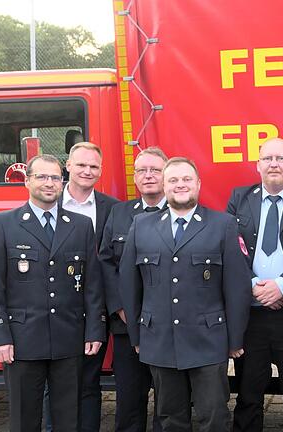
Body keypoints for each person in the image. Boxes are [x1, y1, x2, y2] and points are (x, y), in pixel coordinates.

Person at [119, 157, 252, 431]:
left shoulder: (222, 224)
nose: (180, 185)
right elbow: (130, 285)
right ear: (165, 186)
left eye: (186, 179)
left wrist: (235, 338)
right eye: (174, 180)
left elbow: (236, 287)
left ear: (198, 184)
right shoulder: (141, 225)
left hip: (208, 340)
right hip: (159, 339)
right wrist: (136, 334)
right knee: (170, 419)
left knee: (213, 416)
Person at [0, 154, 105, 431]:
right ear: (27, 181)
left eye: (55, 178)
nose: (49, 183)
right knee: (24, 419)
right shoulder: (3, 223)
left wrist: (95, 329)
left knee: (68, 419)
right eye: (42, 177)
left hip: (68, 339)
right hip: (21, 341)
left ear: (62, 182)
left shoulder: (81, 225)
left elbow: (92, 285)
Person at [227, 138, 283, 432]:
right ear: (258, 165)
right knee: (249, 392)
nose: (274, 164)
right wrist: (253, 286)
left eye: (280, 158)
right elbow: (229, 251)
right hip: (252, 314)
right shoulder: (238, 198)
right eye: (267, 159)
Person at [99, 147, 168, 432]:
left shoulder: (182, 212)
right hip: (127, 325)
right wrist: (120, 307)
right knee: (129, 401)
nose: (148, 176)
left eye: (155, 170)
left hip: (168, 327)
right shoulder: (119, 213)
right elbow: (105, 263)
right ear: (135, 178)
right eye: (142, 171)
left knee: (169, 402)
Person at [54, 141, 119, 432]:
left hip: (95, 308)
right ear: (67, 166)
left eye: (93, 166)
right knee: (54, 382)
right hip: (57, 309)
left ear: (101, 170)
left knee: (89, 381)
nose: (87, 171)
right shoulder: (48, 204)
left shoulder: (112, 209)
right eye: (81, 164)